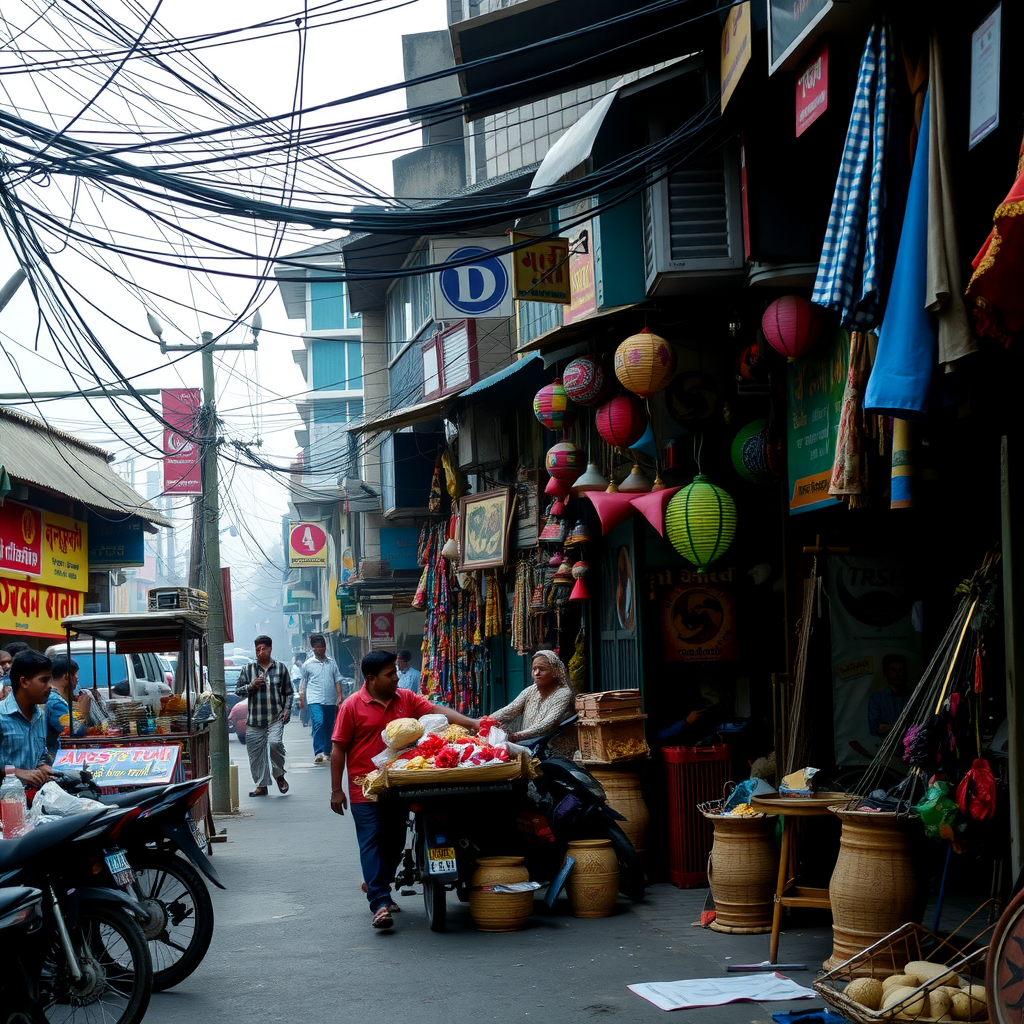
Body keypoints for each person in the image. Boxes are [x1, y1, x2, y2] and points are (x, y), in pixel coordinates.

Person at [329, 650, 480, 930]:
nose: (397, 677)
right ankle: (379, 902)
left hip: (401, 783)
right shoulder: (351, 706)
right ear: (371, 679)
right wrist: (336, 790)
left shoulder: (406, 699)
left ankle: (378, 882)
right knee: (372, 840)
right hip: (366, 788)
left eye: (397, 672)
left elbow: (436, 711)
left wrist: (471, 723)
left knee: (395, 840)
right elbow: (338, 748)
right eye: (390, 674)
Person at [490, 650, 577, 758]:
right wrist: (485, 721)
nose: (537, 673)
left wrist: (517, 736)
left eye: (542, 669)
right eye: (534, 669)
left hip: (551, 749)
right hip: (528, 742)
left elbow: (547, 724)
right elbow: (510, 710)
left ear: (556, 671)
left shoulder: (563, 693)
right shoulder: (531, 690)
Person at [235, 635, 292, 797]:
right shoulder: (248, 669)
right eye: (258, 649)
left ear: (270, 648)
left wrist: (287, 709)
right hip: (254, 719)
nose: (260, 652)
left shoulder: (280, 668)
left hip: (275, 717)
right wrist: (251, 686)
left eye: (263, 649)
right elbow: (238, 692)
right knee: (255, 754)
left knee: (276, 744)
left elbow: (289, 692)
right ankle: (262, 785)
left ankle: (279, 774)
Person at [0, 650, 59, 788]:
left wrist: (43, 766)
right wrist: (13, 772)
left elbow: (40, 755)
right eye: (44, 680)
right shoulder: (2, 715)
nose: (50, 686)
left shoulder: (40, 716)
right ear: (24, 682)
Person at [48, 656, 114, 744]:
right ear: (67, 677)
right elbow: (76, 730)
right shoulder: (55, 702)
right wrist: (83, 712)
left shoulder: (59, 699)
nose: (76, 683)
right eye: (76, 679)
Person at [299, 634, 343, 764]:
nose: (321, 649)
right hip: (314, 699)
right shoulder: (308, 665)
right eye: (318, 647)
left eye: (323, 646)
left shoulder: (332, 662)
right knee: (318, 722)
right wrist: (302, 697)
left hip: (330, 699)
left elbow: (337, 680)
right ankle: (318, 752)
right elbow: (303, 682)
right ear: (313, 648)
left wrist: (339, 695)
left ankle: (327, 751)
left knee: (329, 725)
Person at [867, 654, 911, 739]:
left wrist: (891, 728)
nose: (897, 674)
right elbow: (874, 728)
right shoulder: (876, 699)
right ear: (886, 673)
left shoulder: (912, 697)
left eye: (900, 670)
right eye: (894, 670)